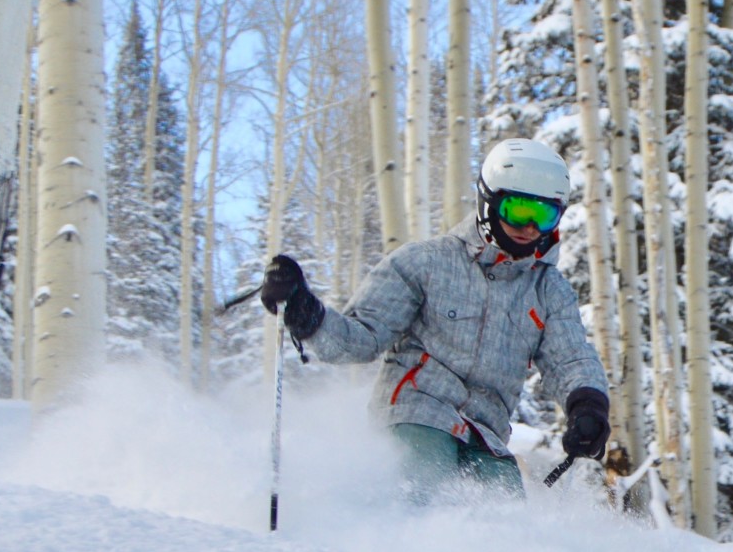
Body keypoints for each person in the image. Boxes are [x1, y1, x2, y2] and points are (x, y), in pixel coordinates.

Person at [260, 139, 611, 501]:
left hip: (487, 437)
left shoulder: (548, 290)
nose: (529, 226)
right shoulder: (426, 263)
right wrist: (305, 313)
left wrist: (587, 405)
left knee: (504, 519)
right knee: (424, 488)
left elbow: (571, 358)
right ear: (489, 202)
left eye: (544, 215)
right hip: (417, 413)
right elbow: (360, 338)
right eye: (517, 209)